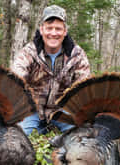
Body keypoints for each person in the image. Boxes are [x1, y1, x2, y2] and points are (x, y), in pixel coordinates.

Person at [10, 5, 90, 135]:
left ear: (65, 31)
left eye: (58, 29)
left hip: (62, 112)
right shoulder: (29, 52)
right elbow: (15, 78)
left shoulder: (77, 55)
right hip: (33, 110)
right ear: (41, 30)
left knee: (81, 137)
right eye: (49, 28)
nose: (53, 33)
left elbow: (83, 88)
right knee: (18, 137)